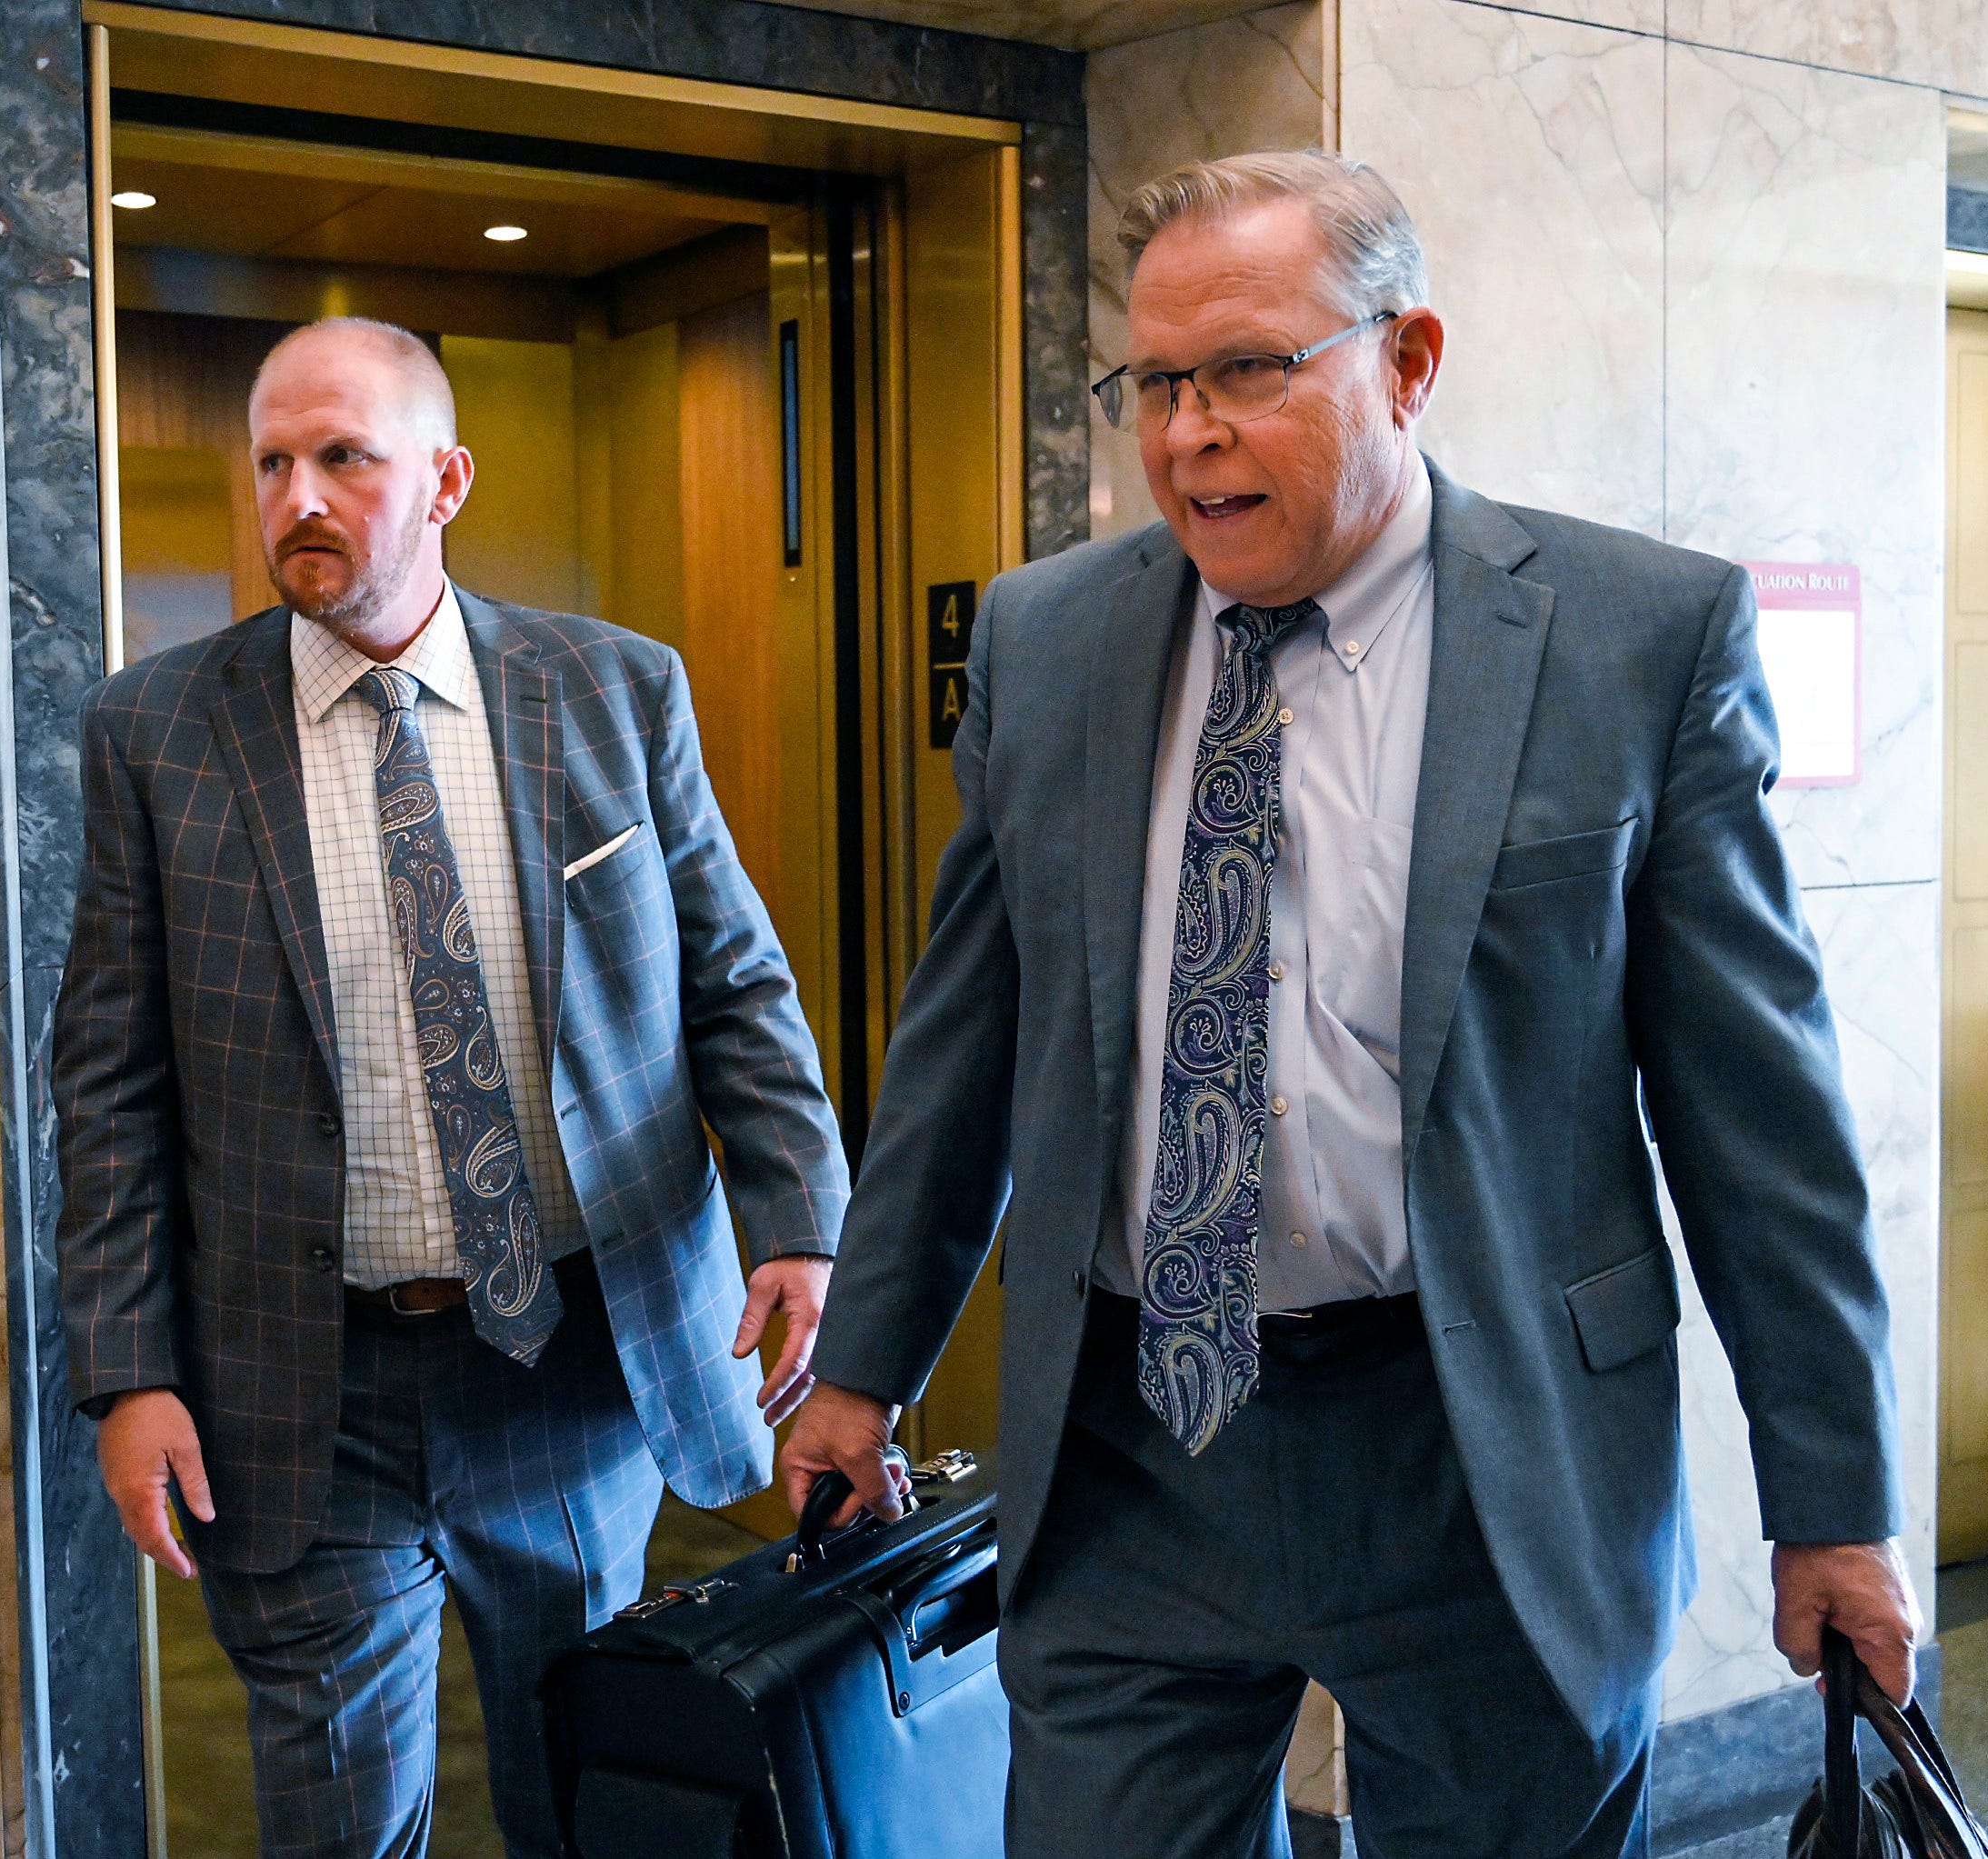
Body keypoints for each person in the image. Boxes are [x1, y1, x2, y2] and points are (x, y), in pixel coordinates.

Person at [784, 151, 1919, 1859]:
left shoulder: (1633, 639)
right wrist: (863, 1365)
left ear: (1407, 360)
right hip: (1136, 1443)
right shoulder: (1048, 640)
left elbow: (1759, 1123)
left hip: (1485, 1450)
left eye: (1247, 369)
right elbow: (966, 1042)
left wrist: (1830, 1502)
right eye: (1155, 383)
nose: (1187, 435)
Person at [55, 315, 849, 1859]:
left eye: (343, 457)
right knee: (341, 1822)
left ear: (445, 479)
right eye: (271, 461)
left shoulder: (611, 689)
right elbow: (109, 1084)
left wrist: (799, 1218)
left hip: (563, 1364)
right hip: (304, 1380)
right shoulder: (155, 732)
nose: (297, 496)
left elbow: (733, 985)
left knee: (587, 1792)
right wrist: (127, 1367)